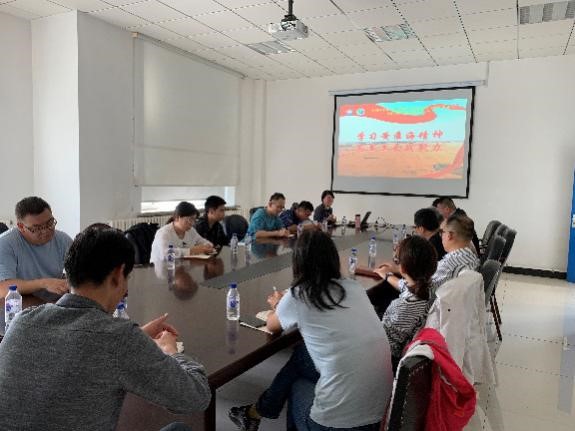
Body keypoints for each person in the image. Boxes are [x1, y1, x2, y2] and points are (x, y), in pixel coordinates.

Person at [0, 227, 211, 431]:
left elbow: (81, 346)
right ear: (118, 275)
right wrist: (170, 350)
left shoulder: (22, 321)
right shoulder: (118, 338)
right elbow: (196, 397)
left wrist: (138, 336)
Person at [229, 230, 392, 431]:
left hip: (337, 425)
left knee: (296, 382)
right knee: (302, 355)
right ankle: (256, 412)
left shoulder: (299, 294)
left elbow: (272, 326)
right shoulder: (353, 287)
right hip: (380, 416)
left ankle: (258, 412)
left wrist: (278, 305)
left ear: (297, 262)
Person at [381, 236, 437, 372]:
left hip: (390, 364)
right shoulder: (432, 287)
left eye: (397, 260)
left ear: (403, 268)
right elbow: (406, 286)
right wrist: (387, 275)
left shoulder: (403, 307)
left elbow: (384, 345)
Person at [0, 196, 72, 297]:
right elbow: (3, 288)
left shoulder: (63, 240)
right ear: (21, 227)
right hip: (21, 301)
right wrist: (44, 283)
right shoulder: (5, 243)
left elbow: (81, 273)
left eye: (49, 223)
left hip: (56, 301)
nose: (45, 231)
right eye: (37, 228)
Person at [150, 201, 214, 262]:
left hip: (182, 266)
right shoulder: (163, 233)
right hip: (162, 267)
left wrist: (208, 246)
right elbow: (166, 254)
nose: (192, 223)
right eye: (190, 219)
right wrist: (191, 251)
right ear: (178, 218)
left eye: (194, 220)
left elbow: (202, 241)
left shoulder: (191, 230)